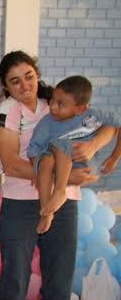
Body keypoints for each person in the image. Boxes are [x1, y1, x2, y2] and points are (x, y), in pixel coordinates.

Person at [0, 51, 116, 300]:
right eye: (15, 81)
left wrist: (92, 146)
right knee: (14, 286)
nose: (24, 85)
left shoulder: (59, 102)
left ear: (37, 74)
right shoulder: (7, 111)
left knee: (59, 289)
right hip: (20, 205)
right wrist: (67, 176)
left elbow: (108, 124)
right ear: (6, 86)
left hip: (64, 205)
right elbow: (11, 164)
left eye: (29, 76)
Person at [28, 75, 121, 234]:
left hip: (84, 163)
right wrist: (40, 171)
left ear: (80, 109)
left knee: (61, 143)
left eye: (60, 104)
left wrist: (114, 157)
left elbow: (117, 125)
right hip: (58, 164)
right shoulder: (47, 123)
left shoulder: (92, 116)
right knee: (45, 160)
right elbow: (33, 152)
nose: (53, 107)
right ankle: (46, 211)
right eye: (52, 100)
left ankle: (60, 190)